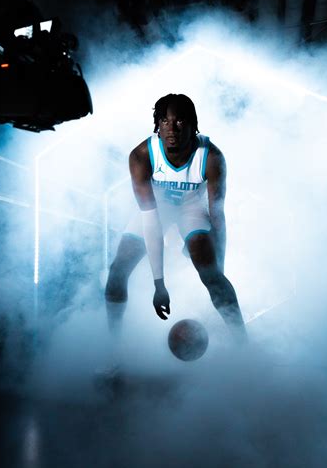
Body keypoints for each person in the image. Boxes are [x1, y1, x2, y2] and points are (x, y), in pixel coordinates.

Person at [105, 93, 247, 342]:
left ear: (193, 124)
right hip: (156, 208)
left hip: (191, 208)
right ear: (157, 125)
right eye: (164, 121)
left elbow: (217, 218)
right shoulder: (141, 155)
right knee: (118, 270)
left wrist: (218, 271)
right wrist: (159, 284)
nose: (171, 128)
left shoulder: (211, 157)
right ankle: (113, 347)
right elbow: (151, 220)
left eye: (179, 121)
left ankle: (242, 344)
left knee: (211, 275)